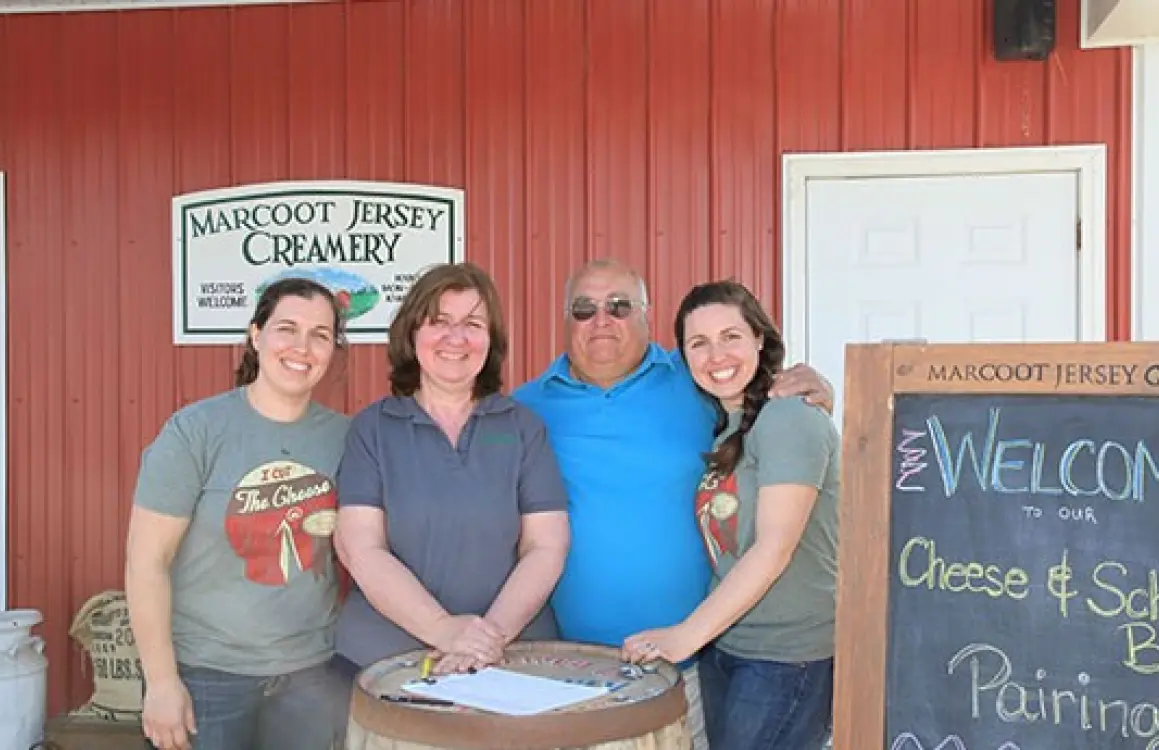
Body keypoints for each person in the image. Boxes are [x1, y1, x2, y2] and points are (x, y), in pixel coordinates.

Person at [512, 259, 833, 750]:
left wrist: (816, 390)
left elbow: (782, 433)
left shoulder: (696, 385)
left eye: (620, 306)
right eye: (584, 308)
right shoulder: (525, 408)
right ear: (564, 319)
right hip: (574, 670)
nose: (602, 319)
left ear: (646, 315)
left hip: (695, 663)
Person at [126, 277, 352, 750]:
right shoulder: (196, 431)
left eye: (320, 334)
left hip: (309, 676)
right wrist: (162, 683)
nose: (302, 347)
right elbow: (146, 563)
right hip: (205, 676)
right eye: (286, 328)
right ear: (256, 335)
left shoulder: (348, 439)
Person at [622, 280, 840, 750]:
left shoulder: (790, 417)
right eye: (698, 343)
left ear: (760, 338)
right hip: (729, 649)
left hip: (786, 659)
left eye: (731, 336)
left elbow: (775, 545)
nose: (716, 355)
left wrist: (684, 636)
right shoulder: (732, 429)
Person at [332, 262, 571, 680]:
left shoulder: (521, 428)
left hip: (511, 656)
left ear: (490, 339)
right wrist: (443, 630)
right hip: (385, 659)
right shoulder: (372, 429)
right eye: (439, 321)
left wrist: (488, 637)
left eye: (473, 324)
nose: (456, 338)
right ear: (412, 334)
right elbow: (361, 548)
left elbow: (546, 546)